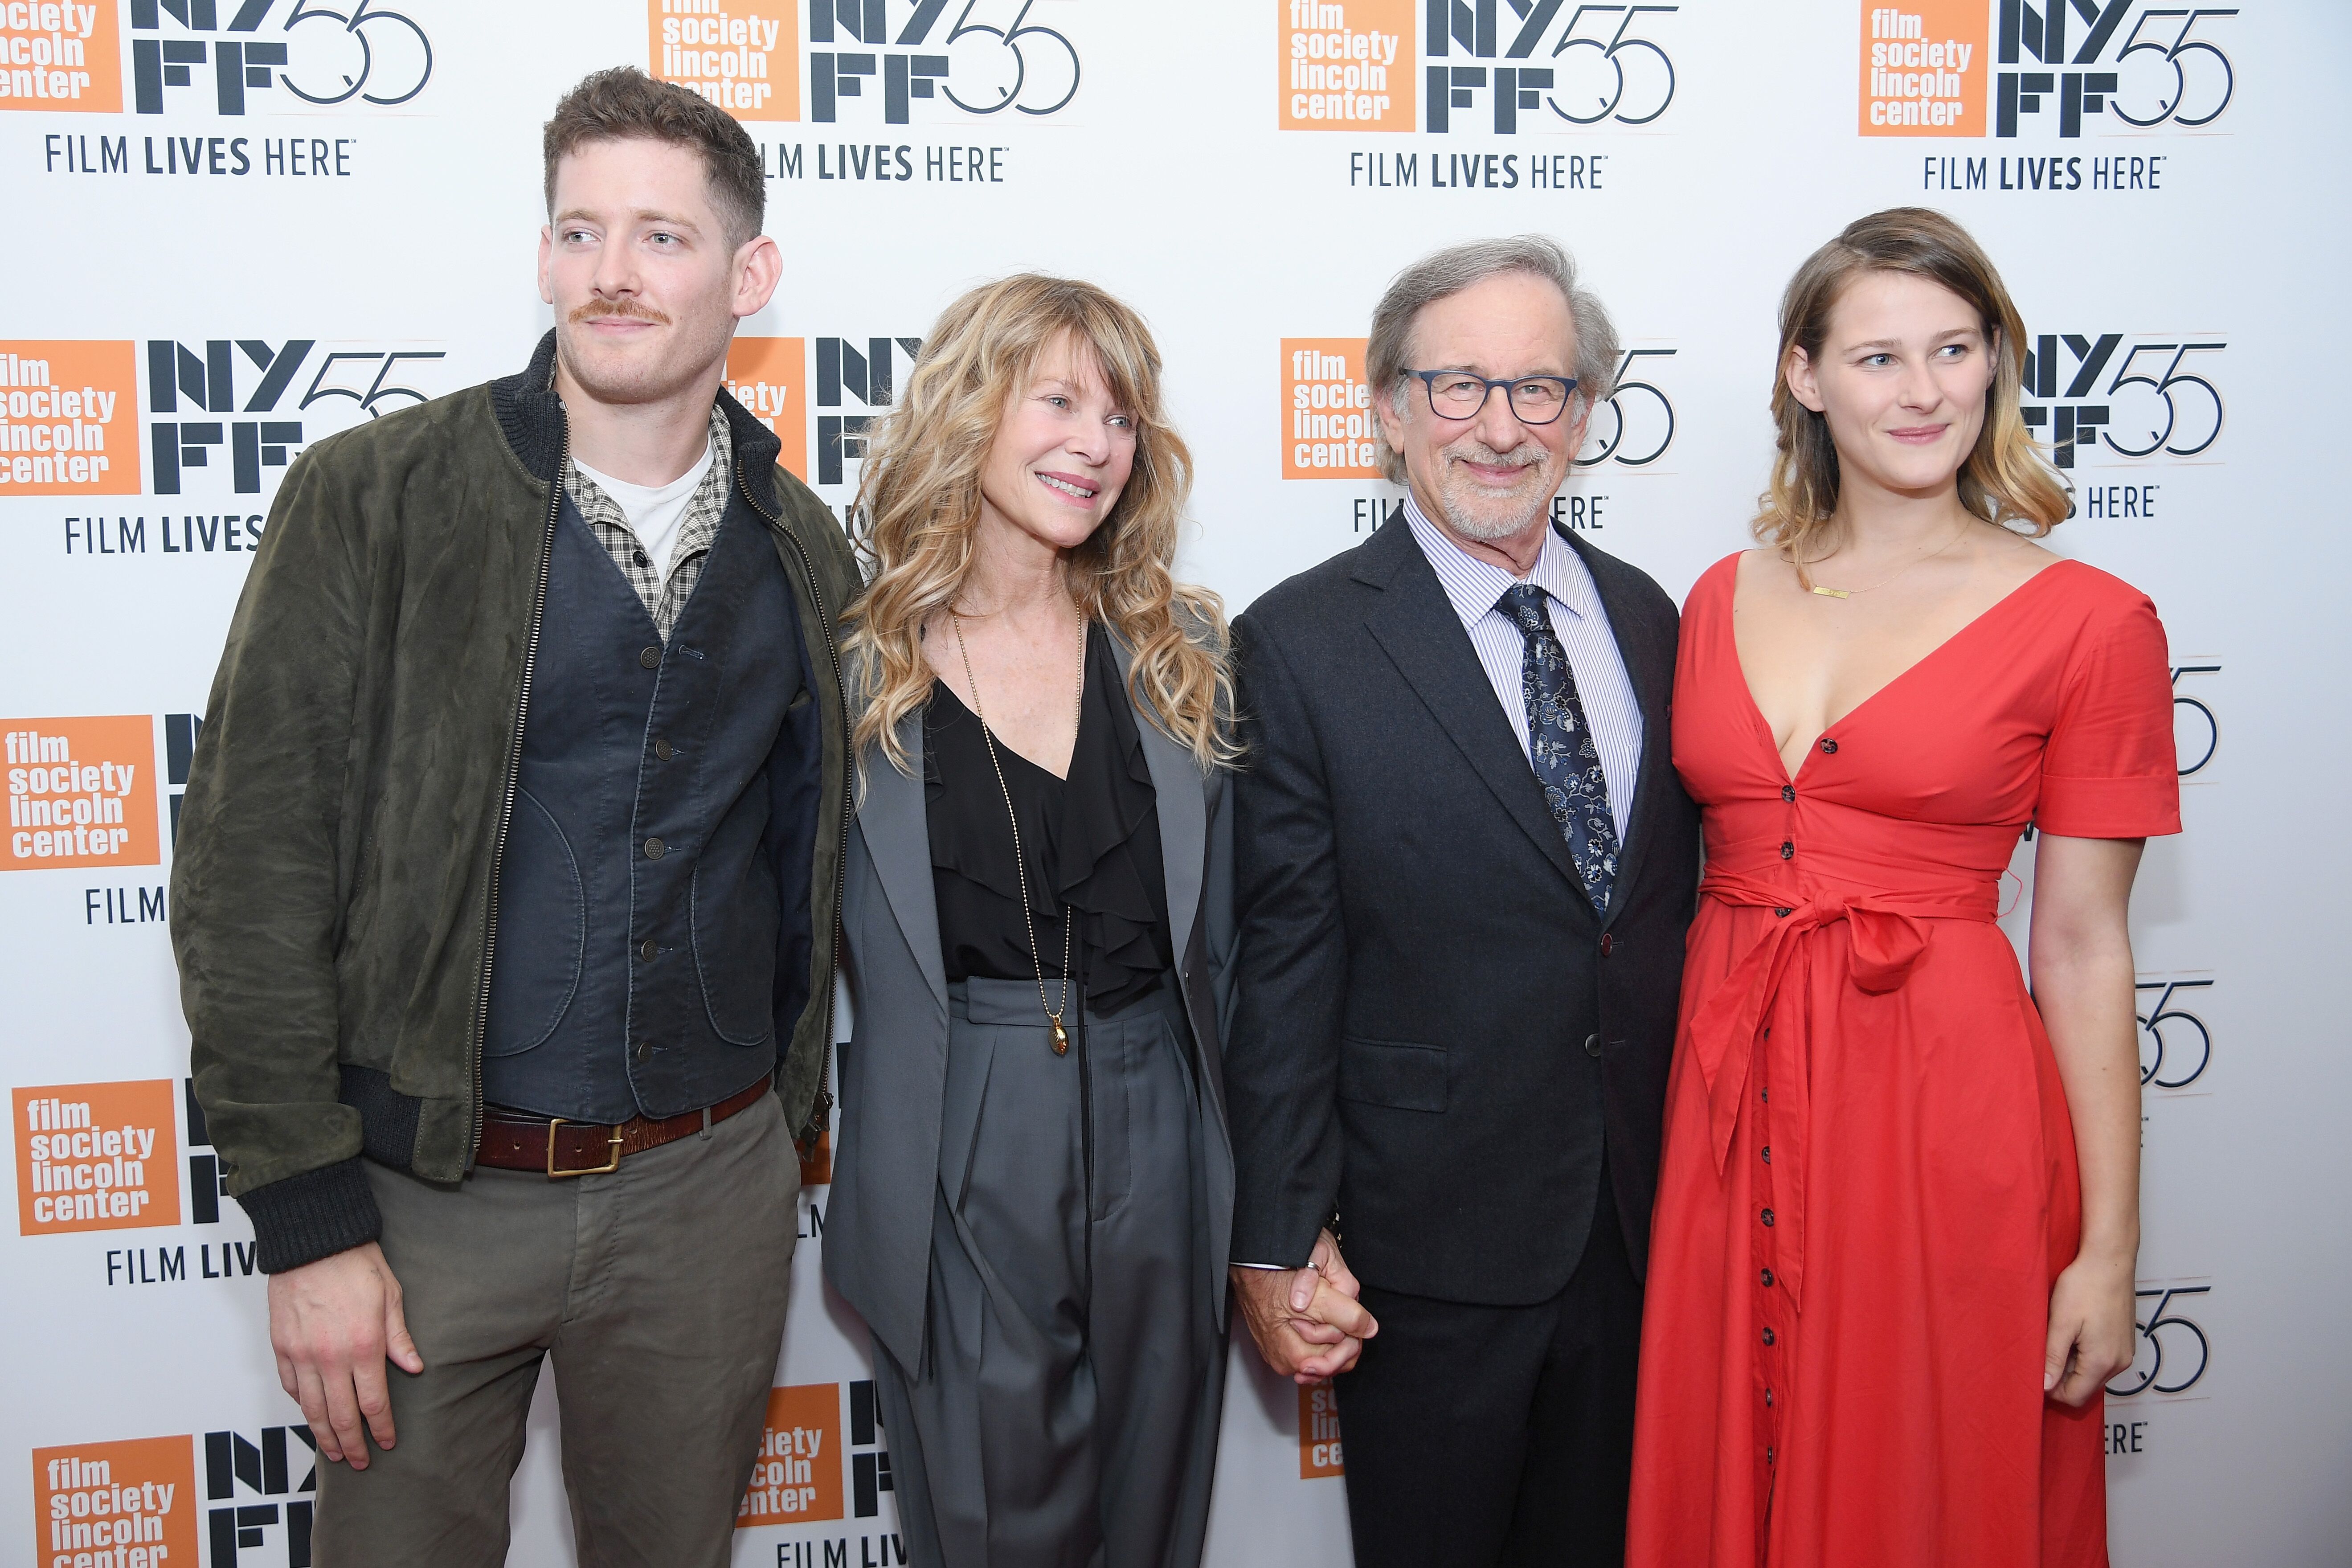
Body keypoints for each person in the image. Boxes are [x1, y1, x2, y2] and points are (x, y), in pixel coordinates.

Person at [169, 68, 860, 1565]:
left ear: (749, 275)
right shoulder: (378, 495)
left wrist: (779, 1142)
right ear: (544, 253)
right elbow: (251, 874)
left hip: (709, 1195)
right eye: (580, 231)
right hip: (427, 1204)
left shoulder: (803, 545)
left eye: (662, 239)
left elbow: (809, 859)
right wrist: (306, 1219)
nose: (612, 274)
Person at [1625, 208, 2180, 1567]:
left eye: (1954, 349)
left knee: (1926, 1484)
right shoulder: (1715, 595)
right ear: (1805, 379)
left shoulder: (2094, 622)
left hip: (1941, 1108)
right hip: (1726, 1099)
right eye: (1878, 357)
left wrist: (2108, 1251)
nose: (1922, 390)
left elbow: (2087, 948)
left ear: (1995, 365)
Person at [1223, 235, 1702, 1568]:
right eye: (1458, 386)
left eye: (1541, 388)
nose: (1501, 426)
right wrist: (1275, 1237)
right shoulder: (1301, 642)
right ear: (1386, 408)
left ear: (1587, 416)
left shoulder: (1654, 619)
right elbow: (1284, 966)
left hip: (1647, 1228)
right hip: (1424, 1254)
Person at [824, 274, 1237, 1568]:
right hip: (965, 1111)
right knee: (995, 1522)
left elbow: (1238, 954)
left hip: (1165, 1108)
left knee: (1157, 1515)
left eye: (1121, 416)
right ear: (969, 408)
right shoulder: (855, 666)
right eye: (1057, 399)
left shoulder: (1180, 651)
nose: (1095, 443)